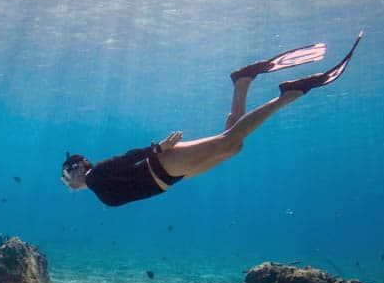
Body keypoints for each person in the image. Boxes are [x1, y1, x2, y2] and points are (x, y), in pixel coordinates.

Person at [61, 32, 363, 207]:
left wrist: (158, 149)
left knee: (229, 142)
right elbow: (124, 169)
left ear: (77, 169)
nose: (67, 184)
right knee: (233, 147)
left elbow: (123, 160)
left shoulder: (95, 176)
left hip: (162, 166)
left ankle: (288, 95)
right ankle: (242, 82)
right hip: (169, 176)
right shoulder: (96, 183)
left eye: (65, 177)